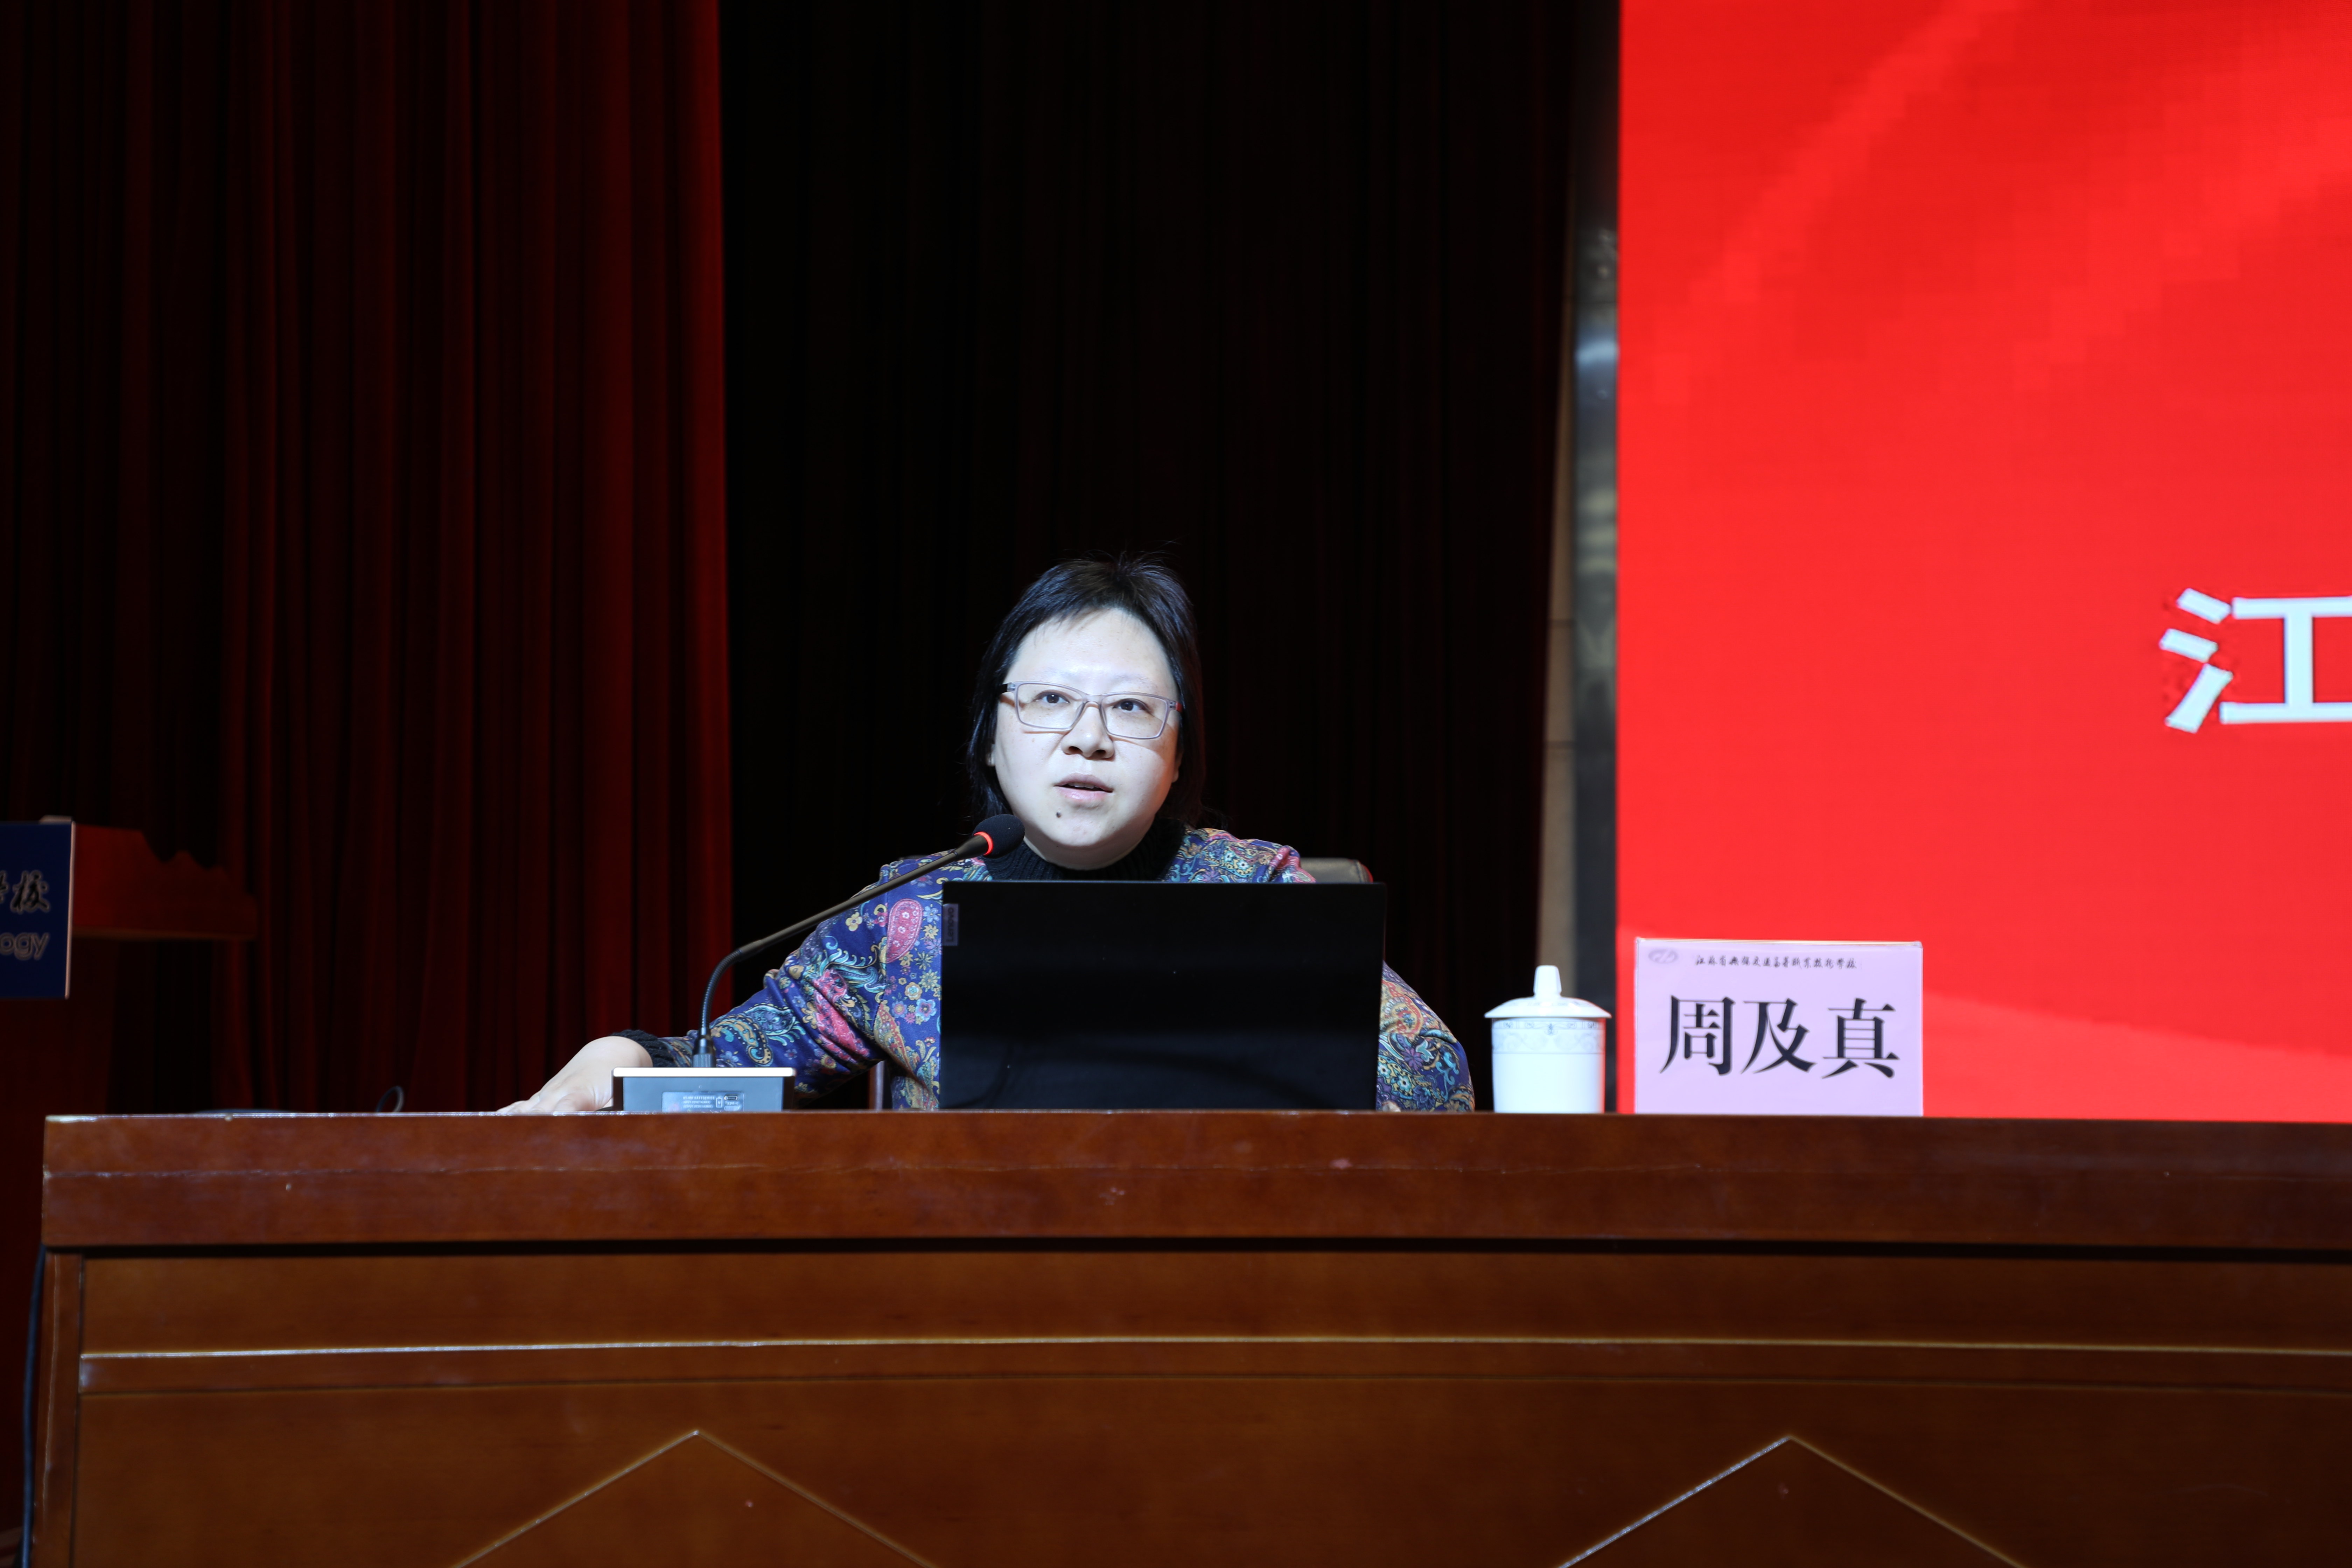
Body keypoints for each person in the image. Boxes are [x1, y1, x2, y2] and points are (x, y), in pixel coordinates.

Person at [504, 554, 1474, 1113]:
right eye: (1050, 701)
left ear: (1179, 756)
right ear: (992, 738)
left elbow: (1435, 1078)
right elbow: (732, 1067)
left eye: (1132, 709)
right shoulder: (909, 915)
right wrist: (624, 1060)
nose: (1089, 738)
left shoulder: (1258, 896)